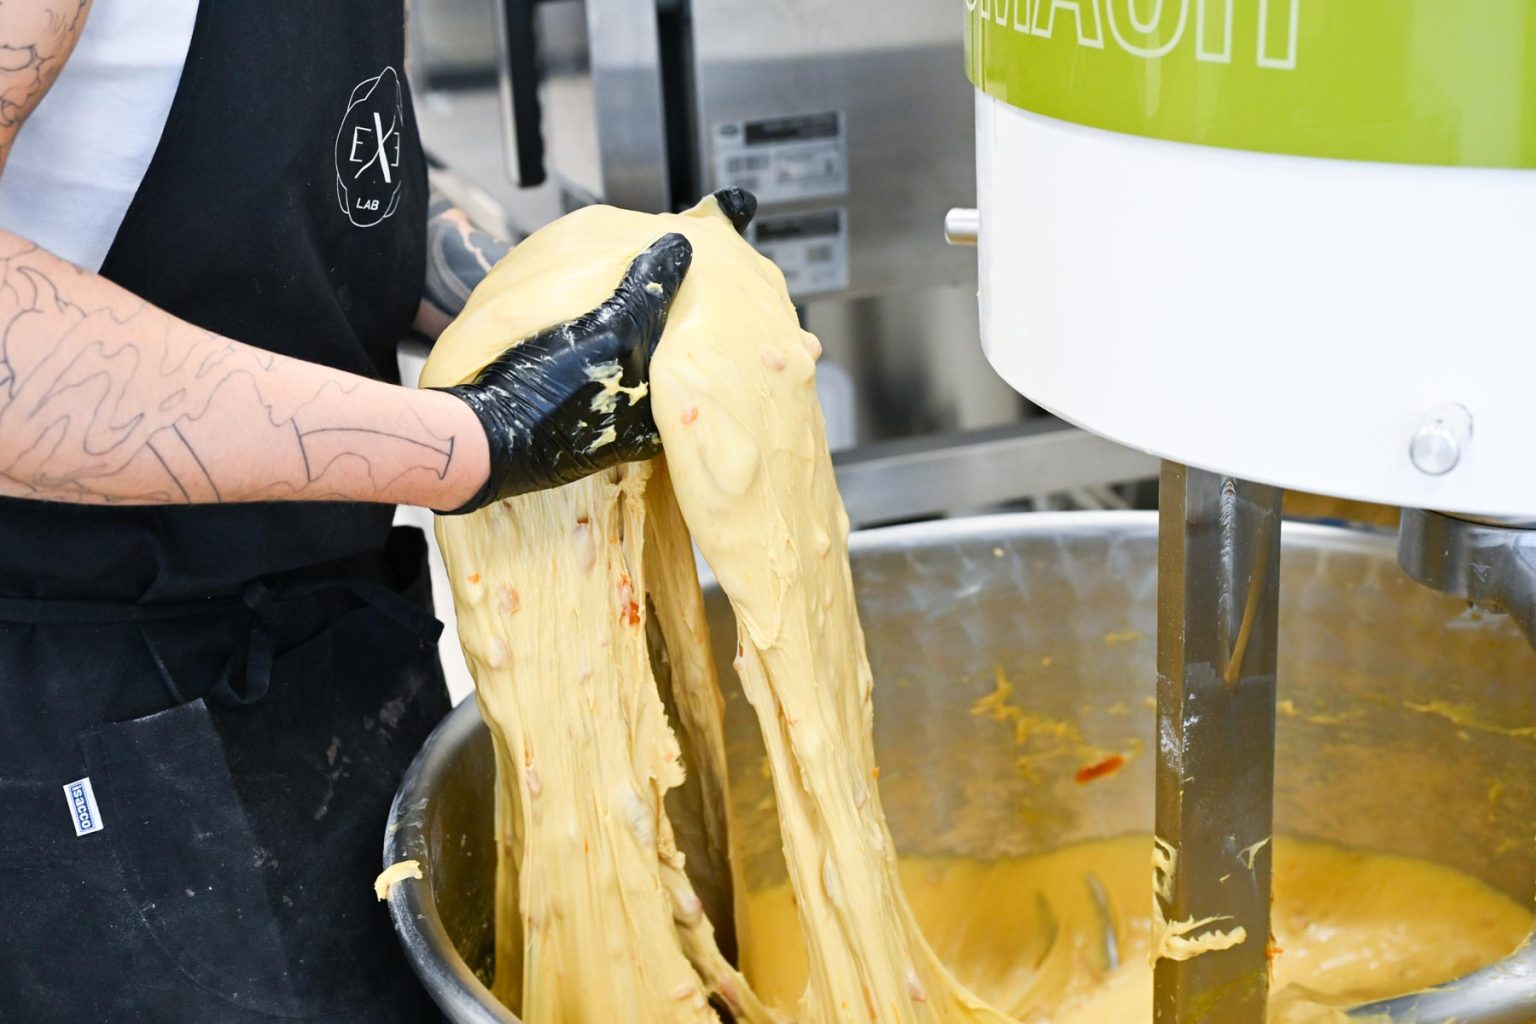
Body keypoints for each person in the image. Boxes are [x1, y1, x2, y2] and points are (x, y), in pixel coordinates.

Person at [0, 2, 754, 1020]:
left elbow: (320, 164)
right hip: (105, 707)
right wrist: (479, 438)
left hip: (326, 635)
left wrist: (525, 298)